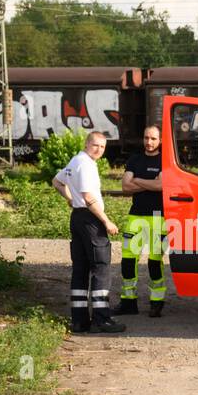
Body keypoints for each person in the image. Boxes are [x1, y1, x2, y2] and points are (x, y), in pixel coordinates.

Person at [53, 131, 123, 334]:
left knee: (81, 268)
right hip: (90, 220)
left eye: (102, 147)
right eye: (95, 145)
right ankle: (102, 319)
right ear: (86, 143)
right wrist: (106, 220)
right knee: (101, 266)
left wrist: (69, 199)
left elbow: (57, 182)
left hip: (77, 217)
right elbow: (88, 197)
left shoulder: (76, 161)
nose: (99, 150)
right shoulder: (85, 164)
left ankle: (79, 321)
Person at [115, 125, 167, 317]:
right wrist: (149, 183)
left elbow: (161, 185)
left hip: (157, 217)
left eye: (153, 138)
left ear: (160, 140)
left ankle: (157, 301)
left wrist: (137, 180)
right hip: (135, 216)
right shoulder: (135, 159)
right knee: (128, 261)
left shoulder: (164, 160)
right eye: (146, 138)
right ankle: (129, 302)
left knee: (154, 262)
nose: (149, 142)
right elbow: (125, 187)